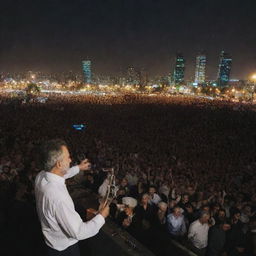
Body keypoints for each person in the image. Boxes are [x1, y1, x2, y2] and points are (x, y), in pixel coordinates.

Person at [35, 139, 109, 256]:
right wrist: (101, 216)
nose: (70, 160)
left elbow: (62, 173)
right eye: (68, 157)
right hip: (64, 249)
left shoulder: (41, 176)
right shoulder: (58, 197)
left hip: (51, 241)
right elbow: (79, 232)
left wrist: (78, 168)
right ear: (59, 164)